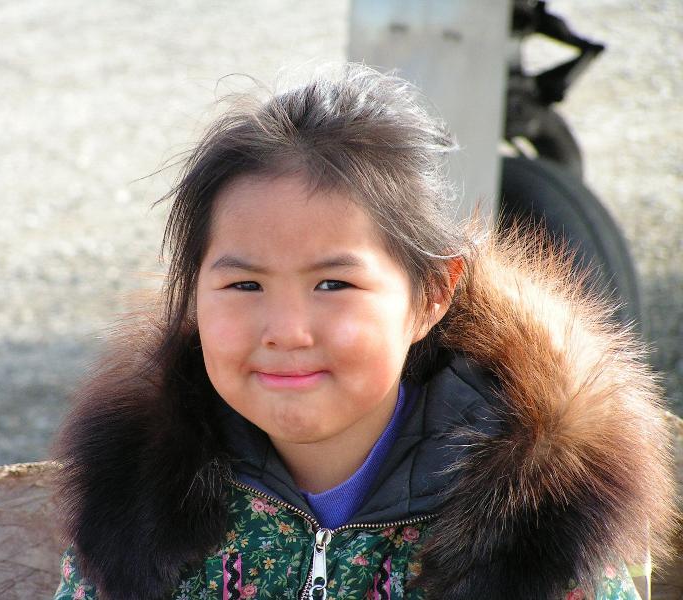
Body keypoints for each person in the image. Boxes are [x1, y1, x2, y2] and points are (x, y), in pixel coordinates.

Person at [51, 65, 676, 600]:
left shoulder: (541, 519)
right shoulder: (138, 496)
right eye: (244, 285)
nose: (287, 332)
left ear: (432, 295)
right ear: (193, 292)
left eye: (333, 284)